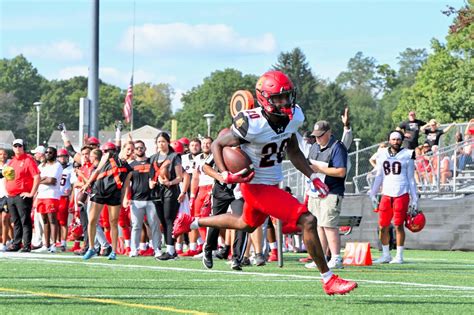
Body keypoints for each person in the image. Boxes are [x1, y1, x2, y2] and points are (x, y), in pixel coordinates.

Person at [173, 70, 357, 295]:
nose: (285, 101)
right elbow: (217, 145)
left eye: (287, 96)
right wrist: (225, 174)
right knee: (308, 220)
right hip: (255, 185)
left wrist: (312, 175)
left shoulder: (293, 117)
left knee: (245, 224)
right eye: (278, 98)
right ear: (264, 98)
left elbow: (293, 151)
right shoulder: (252, 123)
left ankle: (192, 222)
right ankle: (328, 279)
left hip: (272, 183)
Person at [369, 130, 418, 264]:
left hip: (401, 193)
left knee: (398, 225)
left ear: (402, 140)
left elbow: (411, 178)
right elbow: (379, 175)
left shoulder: (408, 154)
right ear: (389, 140)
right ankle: (386, 255)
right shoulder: (382, 153)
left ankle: (399, 256)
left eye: (398, 139)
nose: (396, 141)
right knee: (382, 226)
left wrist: (415, 198)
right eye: (393, 139)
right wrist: (372, 193)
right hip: (386, 193)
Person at [305, 120, 348, 270]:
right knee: (318, 226)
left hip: (332, 191)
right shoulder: (314, 147)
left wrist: (318, 169)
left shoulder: (337, 147)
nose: (317, 139)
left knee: (329, 225)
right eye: (315, 136)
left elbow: (341, 172)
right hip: (315, 191)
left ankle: (336, 257)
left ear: (329, 133)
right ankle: (322, 258)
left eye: (321, 135)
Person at [81, 142, 132, 260]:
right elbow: (98, 170)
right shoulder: (109, 156)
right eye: (128, 149)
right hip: (99, 189)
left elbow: (125, 186)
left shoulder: (129, 168)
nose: (130, 152)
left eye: (132, 150)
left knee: (113, 222)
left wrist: (124, 199)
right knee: (92, 219)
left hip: (115, 194)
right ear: (123, 149)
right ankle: (92, 248)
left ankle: (113, 251)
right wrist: (88, 184)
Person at [124, 140, 162, 258]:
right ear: (134, 150)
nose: (139, 149)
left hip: (152, 199)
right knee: (136, 226)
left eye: (141, 147)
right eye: (137, 148)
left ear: (145, 148)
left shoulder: (152, 162)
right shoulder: (131, 165)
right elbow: (126, 183)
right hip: (136, 200)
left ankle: (157, 249)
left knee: (154, 225)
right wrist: (126, 197)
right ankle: (134, 249)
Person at [150, 132, 183, 260]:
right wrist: (151, 183)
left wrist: (169, 182)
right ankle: (171, 249)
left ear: (168, 142)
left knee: (169, 219)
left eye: (163, 141)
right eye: (159, 142)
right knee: (162, 221)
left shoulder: (174, 157)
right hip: (157, 192)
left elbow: (180, 177)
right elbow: (150, 176)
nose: (161, 144)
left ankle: (170, 250)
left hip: (170, 191)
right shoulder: (153, 158)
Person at [5, 139, 40, 252]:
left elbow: (37, 177)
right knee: (16, 221)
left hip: (22, 195)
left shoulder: (28, 160)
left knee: (25, 221)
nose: (17, 148)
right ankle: (16, 244)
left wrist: (31, 193)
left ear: (23, 147)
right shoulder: (12, 161)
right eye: (15, 146)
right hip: (11, 195)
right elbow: (7, 177)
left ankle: (26, 245)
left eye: (20, 146)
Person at [33, 147, 63, 253]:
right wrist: (43, 179)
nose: (48, 154)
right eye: (46, 152)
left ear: (54, 154)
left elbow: (51, 180)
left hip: (52, 195)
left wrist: (41, 179)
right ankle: (46, 244)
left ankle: (54, 244)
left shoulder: (57, 165)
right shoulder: (41, 165)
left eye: (50, 152)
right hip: (41, 195)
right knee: (44, 220)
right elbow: (35, 178)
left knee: (52, 219)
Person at [0, 149, 12, 251]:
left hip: (6, 196)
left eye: (4, 154)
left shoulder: (10, 165)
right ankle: (9, 240)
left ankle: (3, 244)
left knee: (5, 219)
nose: (2, 156)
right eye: (0, 154)